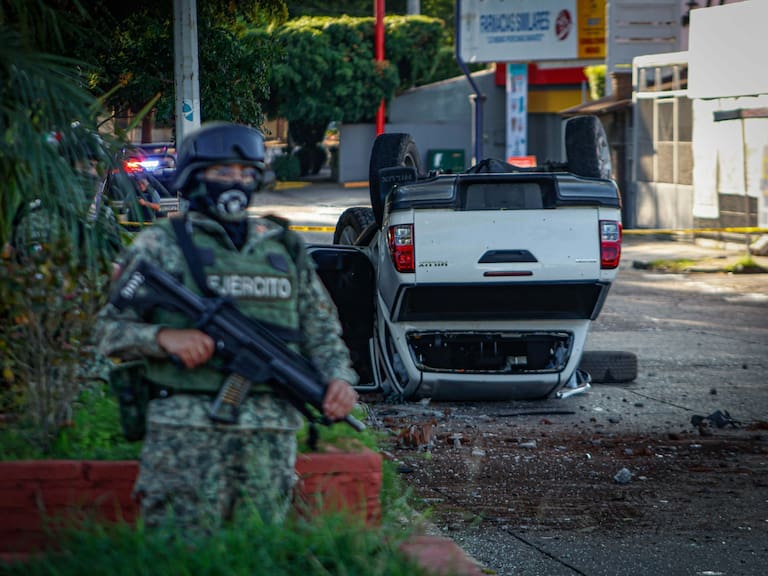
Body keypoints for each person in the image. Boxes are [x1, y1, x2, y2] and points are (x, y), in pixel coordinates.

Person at [94, 122, 359, 533]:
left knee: (255, 554)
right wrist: (164, 338)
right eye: (222, 172)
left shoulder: (281, 247)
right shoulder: (161, 244)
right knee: (181, 555)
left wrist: (339, 379)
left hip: (269, 438)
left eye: (245, 173)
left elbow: (321, 329)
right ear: (194, 177)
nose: (236, 182)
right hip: (185, 434)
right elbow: (108, 331)